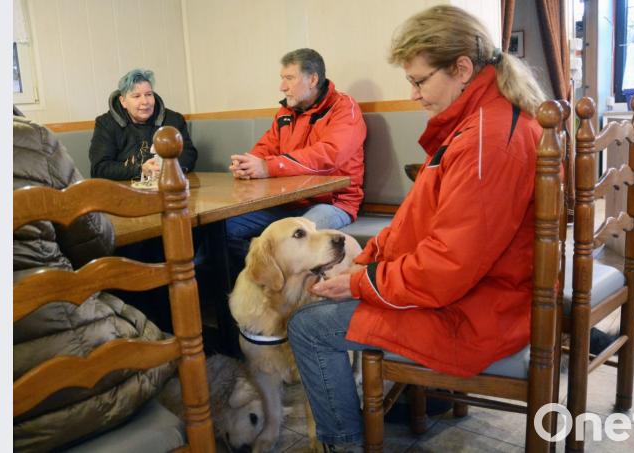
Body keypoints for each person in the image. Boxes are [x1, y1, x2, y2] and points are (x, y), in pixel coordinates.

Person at [286, 6, 547, 452]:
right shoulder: (482, 120)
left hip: (477, 310)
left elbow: (447, 267)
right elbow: (417, 222)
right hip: (477, 291)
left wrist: (362, 284)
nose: (412, 94)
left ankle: (345, 446)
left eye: (420, 80)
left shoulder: (486, 140)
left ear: (462, 68)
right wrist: (365, 264)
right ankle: (405, 403)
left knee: (308, 327)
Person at [14, 114, 176, 451]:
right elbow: (93, 240)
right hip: (101, 375)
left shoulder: (169, 118)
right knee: (141, 325)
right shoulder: (32, 138)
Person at [226, 48, 366, 268]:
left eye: (289, 78)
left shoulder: (344, 108)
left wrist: (268, 167)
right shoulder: (285, 113)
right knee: (225, 229)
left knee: (294, 244)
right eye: (282, 79)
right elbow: (266, 147)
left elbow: (330, 155)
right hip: (286, 202)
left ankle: (286, 294)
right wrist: (248, 164)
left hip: (334, 203)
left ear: (312, 79)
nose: (282, 86)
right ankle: (263, 288)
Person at [89, 68, 197, 180]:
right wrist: (140, 170)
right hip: (122, 192)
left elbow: (188, 154)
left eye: (149, 94)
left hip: (166, 184)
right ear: (123, 101)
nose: (145, 102)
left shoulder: (173, 120)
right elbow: (100, 168)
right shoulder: (106, 124)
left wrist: (166, 167)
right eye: (136, 96)